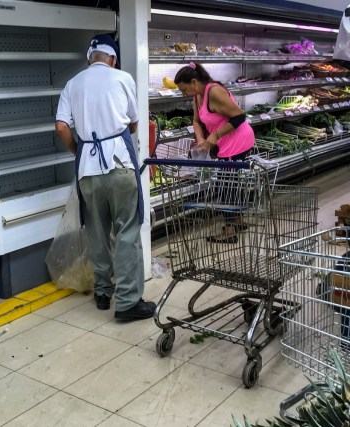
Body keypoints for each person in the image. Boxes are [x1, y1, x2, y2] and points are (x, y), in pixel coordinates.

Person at [55, 34, 156, 321]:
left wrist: (80, 150)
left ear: (90, 58)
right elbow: (135, 124)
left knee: (97, 232)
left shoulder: (72, 84)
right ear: (112, 59)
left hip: (87, 169)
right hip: (119, 164)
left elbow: (61, 127)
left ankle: (102, 292)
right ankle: (127, 302)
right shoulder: (122, 78)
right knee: (127, 232)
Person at [174, 62, 255, 243]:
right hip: (223, 142)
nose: (183, 94)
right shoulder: (197, 96)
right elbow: (196, 121)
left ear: (194, 82)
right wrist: (202, 139)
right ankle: (237, 220)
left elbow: (240, 116)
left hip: (238, 141)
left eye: (184, 89)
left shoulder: (214, 92)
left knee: (225, 185)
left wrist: (215, 135)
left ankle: (229, 231)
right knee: (231, 181)